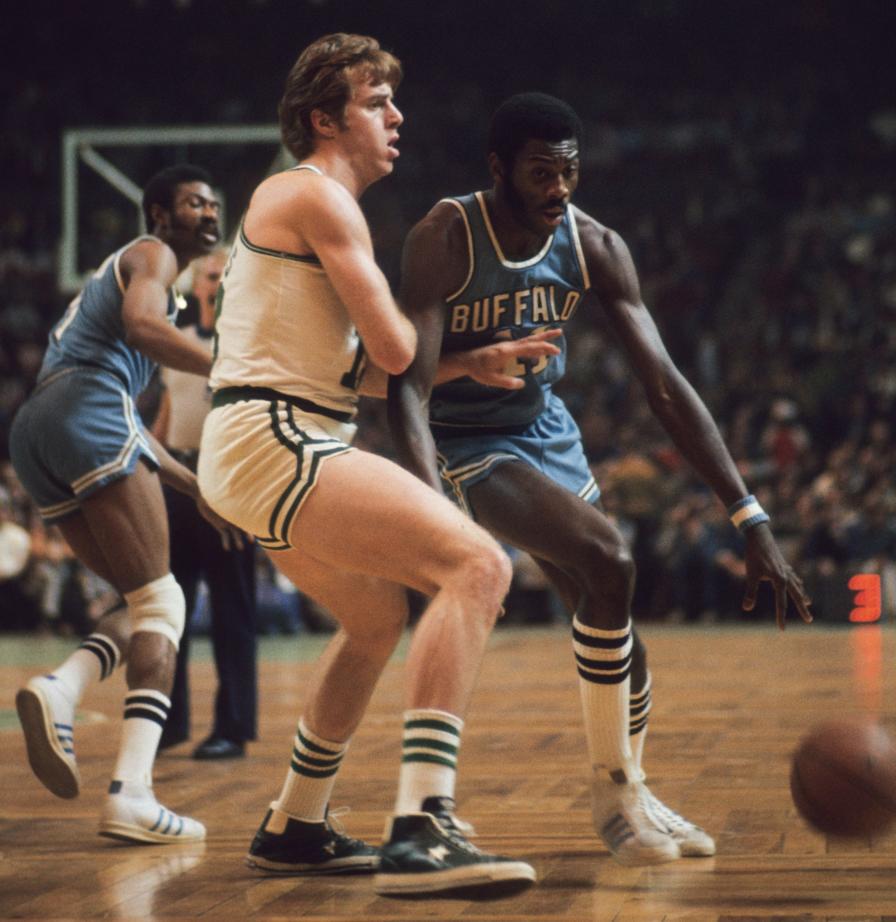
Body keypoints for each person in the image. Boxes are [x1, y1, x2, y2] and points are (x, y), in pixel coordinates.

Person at [387, 92, 814, 867]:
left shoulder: (595, 245)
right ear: (498, 169)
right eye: (540, 172)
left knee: (626, 647)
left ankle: (636, 786)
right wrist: (427, 502)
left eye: (569, 172)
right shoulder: (445, 236)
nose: (557, 188)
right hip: (461, 439)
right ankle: (614, 802)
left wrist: (749, 515)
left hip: (543, 432)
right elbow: (406, 385)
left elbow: (666, 385)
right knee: (612, 560)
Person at [197, 35, 559, 898]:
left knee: (373, 618)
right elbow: (397, 351)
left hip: (262, 436)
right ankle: (423, 825)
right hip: (278, 438)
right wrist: (430, 310)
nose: (397, 116)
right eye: (375, 101)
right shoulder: (317, 196)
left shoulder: (301, 205)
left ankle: (294, 824)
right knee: (476, 565)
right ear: (325, 118)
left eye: (395, 100)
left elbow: (351, 368)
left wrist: (466, 362)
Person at [10, 164, 244, 843]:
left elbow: (130, 426)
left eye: (212, 202)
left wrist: (196, 488)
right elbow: (142, 329)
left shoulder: (131, 286)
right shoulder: (153, 256)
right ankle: (131, 794)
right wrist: (222, 365)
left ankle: (64, 687)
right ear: (158, 214)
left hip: (40, 430)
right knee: (166, 603)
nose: (207, 211)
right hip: (83, 411)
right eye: (194, 202)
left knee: (143, 605)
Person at [152, 247, 258, 760]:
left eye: (227, 275)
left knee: (233, 609)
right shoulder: (179, 345)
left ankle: (233, 727)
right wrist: (151, 477)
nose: (219, 281)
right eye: (213, 274)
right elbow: (169, 413)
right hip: (176, 476)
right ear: (197, 286)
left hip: (228, 480)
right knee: (171, 607)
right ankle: (169, 725)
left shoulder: (248, 345)